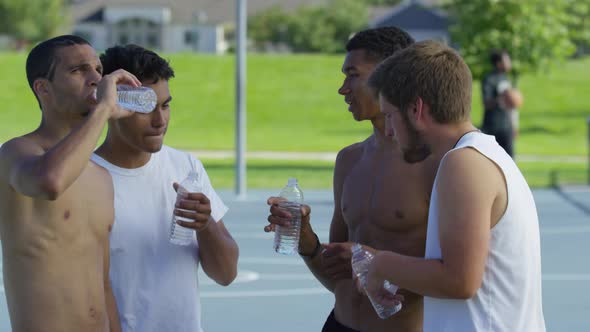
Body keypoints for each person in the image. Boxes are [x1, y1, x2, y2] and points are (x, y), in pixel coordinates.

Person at [366, 40, 546, 331]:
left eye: (389, 116)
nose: (388, 130)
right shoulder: (482, 156)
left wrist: (381, 265)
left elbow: (460, 281)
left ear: (416, 109)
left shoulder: (464, 164)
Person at [265, 27, 431, 332]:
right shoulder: (349, 161)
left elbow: (458, 279)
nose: (343, 89)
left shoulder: (435, 165)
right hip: (339, 325)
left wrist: (375, 263)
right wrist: (307, 242)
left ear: (390, 77)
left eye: (352, 75)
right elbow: (337, 277)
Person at [91, 44, 239, 332]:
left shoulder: (186, 167)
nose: (160, 121)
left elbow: (225, 274)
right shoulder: (84, 176)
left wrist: (205, 224)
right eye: (146, 108)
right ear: (114, 106)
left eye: (166, 105)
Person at [0, 35, 140, 331]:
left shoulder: (101, 177)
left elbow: (103, 286)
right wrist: (104, 109)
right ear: (43, 89)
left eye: (98, 70)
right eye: (78, 70)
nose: (95, 80)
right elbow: (50, 182)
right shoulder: (15, 153)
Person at [481, 49, 523, 157]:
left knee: (510, 159)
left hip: (506, 126)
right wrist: (502, 98)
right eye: (507, 60)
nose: (509, 63)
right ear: (499, 63)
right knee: (491, 159)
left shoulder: (506, 78)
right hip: (492, 127)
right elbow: (486, 103)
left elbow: (511, 108)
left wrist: (514, 126)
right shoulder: (489, 79)